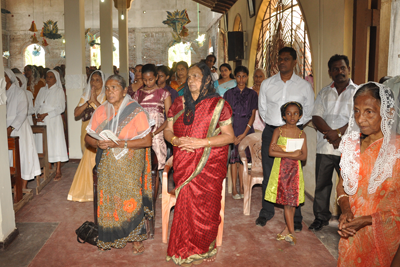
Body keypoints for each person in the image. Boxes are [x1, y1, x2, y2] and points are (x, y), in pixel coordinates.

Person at [164, 62, 235, 266]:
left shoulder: (219, 105)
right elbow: (168, 131)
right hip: (185, 163)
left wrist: (200, 143)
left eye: (196, 76)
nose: (191, 80)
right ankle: (182, 247)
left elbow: (229, 137)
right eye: (189, 77)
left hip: (209, 165)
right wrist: (176, 141)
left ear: (206, 80)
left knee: (206, 207)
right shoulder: (178, 103)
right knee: (185, 203)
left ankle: (204, 247)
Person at [85, 74, 154, 253]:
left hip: (130, 160)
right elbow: (88, 138)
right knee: (108, 195)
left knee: (130, 195)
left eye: (114, 88)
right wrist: (97, 143)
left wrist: (121, 144)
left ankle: (136, 238)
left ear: (124, 90)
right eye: (107, 88)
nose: (110, 91)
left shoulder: (135, 110)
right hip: (108, 160)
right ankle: (111, 235)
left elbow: (147, 141)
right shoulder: (101, 111)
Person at [336, 82, 400, 266]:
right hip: (352, 234)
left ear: (388, 112)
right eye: (356, 111)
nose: (360, 119)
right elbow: (342, 185)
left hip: (386, 239)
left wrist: (367, 220)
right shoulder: (351, 146)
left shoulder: (396, 150)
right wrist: (346, 211)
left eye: (368, 112)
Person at [257, 47, 314, 230]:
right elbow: (263, 110)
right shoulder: (267, 83)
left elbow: (308, 111)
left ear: (295, 62)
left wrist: (293, 128)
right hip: (272, 132)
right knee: (268, 173)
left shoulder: (304, 86)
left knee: (294, 176)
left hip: (294, 134)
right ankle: (267, 212)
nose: (282, 62)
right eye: (280, 59)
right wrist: (277, 126)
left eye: (287, 59)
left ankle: (296, 217)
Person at [309, 54, 358, 231]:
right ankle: (321, 217)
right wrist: (332, 136)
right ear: (330, 72)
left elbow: (357, 119)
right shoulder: (324, 92)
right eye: (335, 69)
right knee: (322, 184)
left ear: (349, 69)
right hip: (325, 147)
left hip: (349, 148)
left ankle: (350, 217)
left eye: (343, 68)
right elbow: (316, 116)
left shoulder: (358, 92)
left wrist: (337, 134)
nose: (340, 71)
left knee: (349, 186)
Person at [265, 101, 307, 245]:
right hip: (281, 171)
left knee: (292, 202)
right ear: (283, 116)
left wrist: (282, 151)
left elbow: (304, 156)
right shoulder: (278, 131)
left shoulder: (302, 134)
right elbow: (271, 152)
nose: (292, 116)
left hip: (295, 172)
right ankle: (292, 233)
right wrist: (293, 153)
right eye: (288, 113)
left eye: (295, 113)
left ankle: (287, 231)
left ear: (300, 115)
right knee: (288, 203)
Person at [67, 70, 106, 202]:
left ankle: (96, 190)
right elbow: (76, 113)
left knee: (95, 159)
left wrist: (96, 101)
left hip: (99, 130)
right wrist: (89, 101)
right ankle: (92, 189)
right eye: (92, 80)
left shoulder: (107, 96)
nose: (94, 83)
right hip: (86, 129)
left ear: (102, 82)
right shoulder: (85, 95)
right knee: (87, 155)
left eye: (97, 80)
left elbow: (107, 114)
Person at [223, 66, 258, 199]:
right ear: (235, 77)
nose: (241, 79)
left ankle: (243, 187)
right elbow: (225, 115)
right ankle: (234, 190)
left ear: (247, 77)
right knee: (233, 160)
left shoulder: (253, 94)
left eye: (244, 76)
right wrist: (231, 134)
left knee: (244, 160)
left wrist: (244, 134)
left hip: (247, 129)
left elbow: (253, 115)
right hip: (232, 129)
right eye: (238, 76)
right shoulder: (229, 94)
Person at [5, 68, 41, 190]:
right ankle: (12, 185)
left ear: (9, 78)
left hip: (19, 128)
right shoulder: (2, 93)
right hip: (6, 128)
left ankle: (23, 186)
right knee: (9, 158)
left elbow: (21, 113)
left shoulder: (19, 92)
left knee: (23, 156)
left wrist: (10, 128)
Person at [132, 64, 171, 173]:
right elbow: (133, 116)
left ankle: (159, 190)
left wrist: (154, 133)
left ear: (156, 77)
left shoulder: (164, 94)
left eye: (151, 79)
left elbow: (169, 118)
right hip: (141, 135)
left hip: (158, 135)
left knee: (158, 167)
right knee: (141, 168)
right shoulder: (138, 94)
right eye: (145, 80)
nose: (148, 83)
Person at [34, 70, 69, 181]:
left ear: (56, 79)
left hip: (53, 120)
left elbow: (61, 108)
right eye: (47, 77)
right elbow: (36, 104)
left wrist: (46, 114)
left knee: (55, 143)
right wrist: (38, 114)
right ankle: (47, 169)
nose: (48, 79)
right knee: (44, 144)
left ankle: (58, 170)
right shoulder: (41, 90)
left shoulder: (59, 91)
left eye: (51, 77)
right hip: (42, 120)